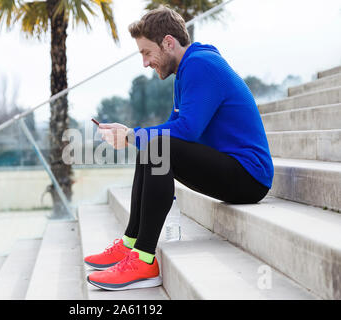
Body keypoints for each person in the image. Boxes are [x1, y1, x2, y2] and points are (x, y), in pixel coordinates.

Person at [84, 6, 274, 291]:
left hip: (249, 176)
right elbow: (175, 129)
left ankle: (145, 260)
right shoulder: (187, 70)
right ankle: (131, 245)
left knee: (155, 144)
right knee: (152, 144)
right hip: (231, 169)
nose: (146, 63)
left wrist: (131, 135)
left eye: (147, 53)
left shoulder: (202, 65)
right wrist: (132, 134)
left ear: (169, 43)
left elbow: (186, 131)